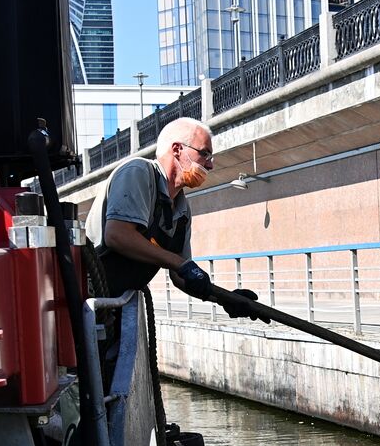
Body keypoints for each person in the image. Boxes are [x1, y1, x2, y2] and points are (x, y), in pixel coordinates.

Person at [92, 115, 265, 322]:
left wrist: (226, 298)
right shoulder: (138, 172)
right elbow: (117, 235)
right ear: (177, 150)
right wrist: (180, 263)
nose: (210, 166)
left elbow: (181, 277)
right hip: (88, 299)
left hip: (116, 307)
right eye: (205, 154)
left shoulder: (181, 211)